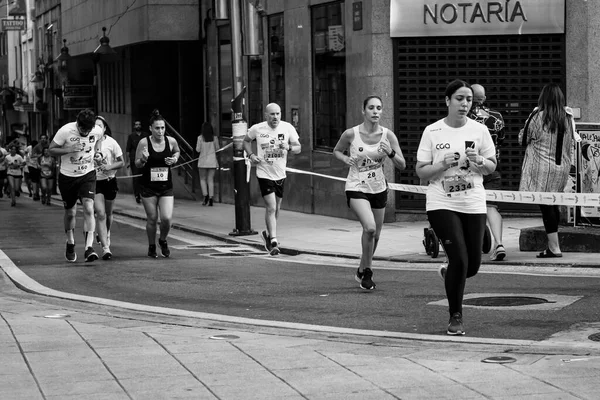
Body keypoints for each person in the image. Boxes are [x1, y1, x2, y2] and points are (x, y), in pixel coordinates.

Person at [416, 79, 496, 335]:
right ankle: (456, 316)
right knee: (460, 260)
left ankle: (451, 270)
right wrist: (441, 165)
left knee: (471, 267)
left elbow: (492, 165)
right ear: (448, 100)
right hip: (441, 201)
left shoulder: (479, 130)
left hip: (472, 201)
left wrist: (480, 161)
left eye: (469, 100)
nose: (464, 104)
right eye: (459, 98)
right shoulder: (433, 131)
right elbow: (421, 172)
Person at [333, 95, 406, 290]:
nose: (375, 111)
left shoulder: (388, 136)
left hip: (378, 188)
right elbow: (337, 150)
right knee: (370, 228)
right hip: (357, 186)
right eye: (371, 108)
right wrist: (344, 159)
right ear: (363, 110)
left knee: (377, 234)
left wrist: (390, 152)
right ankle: (368, 273)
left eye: (379, 108)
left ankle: (360, 268)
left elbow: (402, 164)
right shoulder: (351, 134)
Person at [519, 83, 577, 258]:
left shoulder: (537, 116)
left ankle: (554, 247)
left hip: (541, 167)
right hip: (561, 168)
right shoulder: (567, 117)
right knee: (553, 204)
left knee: (546, 207)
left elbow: (523, 139)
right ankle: (554, 245)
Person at [243, 103, 301, 256]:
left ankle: (267, 235)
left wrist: (288, 147)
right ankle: (274, 240)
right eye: (272, 114)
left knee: (277, 208)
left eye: (278, 114)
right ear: (266, 115)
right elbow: (246, 141)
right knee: (271, 207)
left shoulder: (287, 128)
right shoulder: (258, 128)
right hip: (264, 173)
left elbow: (298, 148)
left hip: (280, 174)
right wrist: (251, 155)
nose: (275, 117)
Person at [49, 108, 104, 263]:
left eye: (88, 129)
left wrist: (98, 153)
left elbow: (98, 141)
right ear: (77, 124)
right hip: (68, 176)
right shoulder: (66, 131)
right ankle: (70, 242)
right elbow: (51, 149)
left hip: (87, 174)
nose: (85, 132)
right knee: (71, 213)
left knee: (88, 207)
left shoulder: (96, 130)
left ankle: (89, 248)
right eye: (82, 129)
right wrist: (68, 149)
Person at [468, 84, 507, 261]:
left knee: (468, 206)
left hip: (469, 169)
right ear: (484, 98)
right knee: (491, 207)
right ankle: (499, 243)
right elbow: (502, 140)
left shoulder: (464, 117)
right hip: (491, 166)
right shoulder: (497, 117)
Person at [135, 111, 180, 258]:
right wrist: (143, 159)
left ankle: (163, 240)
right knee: (152, 218)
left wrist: (174, 159)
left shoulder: (171, 141)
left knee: (166, 218)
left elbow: (177, 152)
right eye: (157, 128)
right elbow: (137, 164)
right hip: (148, 187)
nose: (160, 131)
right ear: (150, 129)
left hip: (166, 187)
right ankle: (151, 245)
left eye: (162, 128)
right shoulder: (144, 143)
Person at [94, 116, 124, 260]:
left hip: (110, 180)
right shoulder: (89, 142)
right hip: (94, 182)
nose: (97, 129)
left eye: (100, 126)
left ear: (105, 128)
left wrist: (109, 167)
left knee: (108, 213)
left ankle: (107, 232)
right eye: (95, 126)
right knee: (100, 213)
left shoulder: (111, 143)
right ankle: (106, 248)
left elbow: (121, 162)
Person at [196, 121, 220, 206]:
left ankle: (205, 195)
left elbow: (197, 150)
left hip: (202, 161)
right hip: (212, 161)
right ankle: (211, 198)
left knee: (202, 179)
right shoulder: (215, 138)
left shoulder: (200, 138)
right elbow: (217, 149)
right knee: (210, 180)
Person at [126, 120, 146, 204]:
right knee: (136, 178)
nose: (138, 126)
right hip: (134, 159)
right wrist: (128, 162)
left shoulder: (145, 135)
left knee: (144, 177)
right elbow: (128, 149)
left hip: (144, 158)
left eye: (139, 124)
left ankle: (144, 193)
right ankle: (137, 195)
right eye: (136, 124)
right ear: (134, 126)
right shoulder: (131, 136)